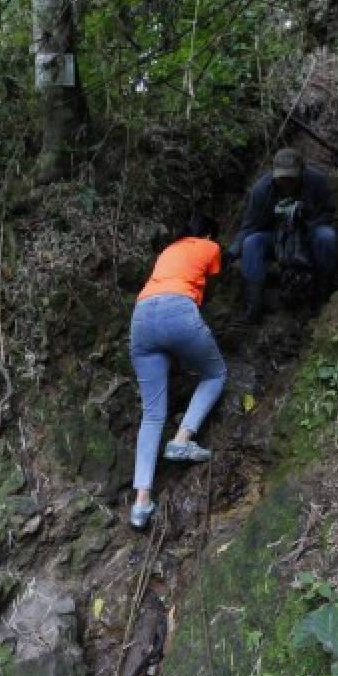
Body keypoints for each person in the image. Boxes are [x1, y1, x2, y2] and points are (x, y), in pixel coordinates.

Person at [128, 213, 228, 530]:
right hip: (177, 310)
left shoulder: (168, 251)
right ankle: (183, 438)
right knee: (215, 374)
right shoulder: (209, 246)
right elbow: (212, 279)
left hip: (142, 317)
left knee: (152, 413)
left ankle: (141, 502)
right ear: (208, 233)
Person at [228, 147, 338, 322]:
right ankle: (253, 305)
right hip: (274, 237)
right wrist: (231, 252)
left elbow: (329, 211)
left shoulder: (316, 182)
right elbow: (249, 226)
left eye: (291, 178)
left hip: (308, 234)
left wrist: (306, 219)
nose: (286, 182)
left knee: (327, 237)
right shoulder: (261, 190)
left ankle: (321, 296)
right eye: (281, 178)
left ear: (302, 172)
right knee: (251, 243)